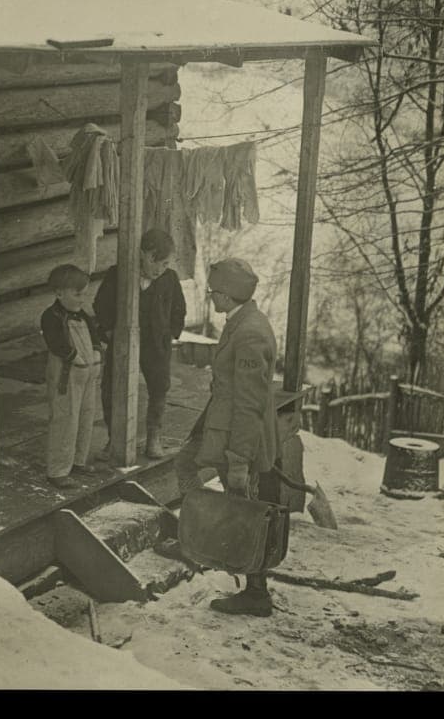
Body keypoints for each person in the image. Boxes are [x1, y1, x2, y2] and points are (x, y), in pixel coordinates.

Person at [174, 258, 279, 617]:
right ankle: (197, 539)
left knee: (245, 509)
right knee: (186, 465)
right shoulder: (239, 322)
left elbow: (249, 404)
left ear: (229, 294)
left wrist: (239, 458)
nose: (211, 297)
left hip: (239, 436)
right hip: (222, 424)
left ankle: (255, 591)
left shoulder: (250, 332)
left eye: (214, 292)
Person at [93, 228, 186, 460]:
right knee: (112, 387)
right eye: (158, 262)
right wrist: (109, 331)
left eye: (166, 264)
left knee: (159, 387)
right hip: (124, 342)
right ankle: (115, 437)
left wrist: (171, 333)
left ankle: (154, 438)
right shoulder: (119, 274)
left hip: (156, 344)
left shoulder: (170, 279)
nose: (161, 269)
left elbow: (179, 308)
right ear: (145, 254)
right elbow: (100, 304)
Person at [40, 264, 110, 490]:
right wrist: (74, 356)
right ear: (59, 293)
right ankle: (58, 471)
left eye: (84, 294)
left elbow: (95, 336)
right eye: (77, 294)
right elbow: (56, 344)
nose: (82, 299)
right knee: (66, 419)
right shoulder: (51, 317)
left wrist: (98, 352)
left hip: (88, 374)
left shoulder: (83, 315)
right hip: (66, 375)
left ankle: (78, 461)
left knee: (86, 415)